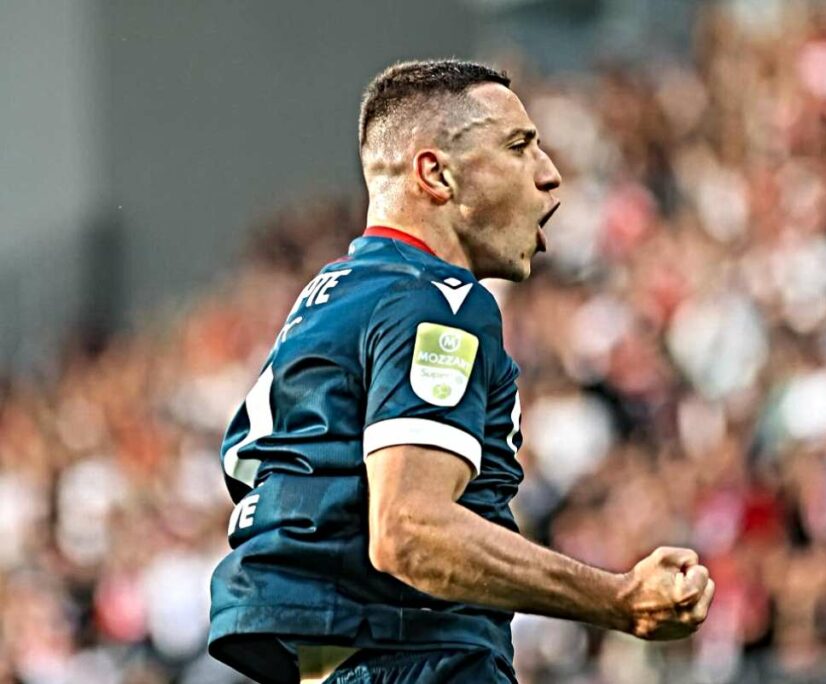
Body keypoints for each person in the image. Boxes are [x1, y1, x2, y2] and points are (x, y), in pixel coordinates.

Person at [207, 59, 715, 684]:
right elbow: (410, 531)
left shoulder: (329, 299)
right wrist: (619, 599)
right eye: (518, 146)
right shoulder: (436, 299)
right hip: (419, 659)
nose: (549, 173)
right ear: (436, 173)